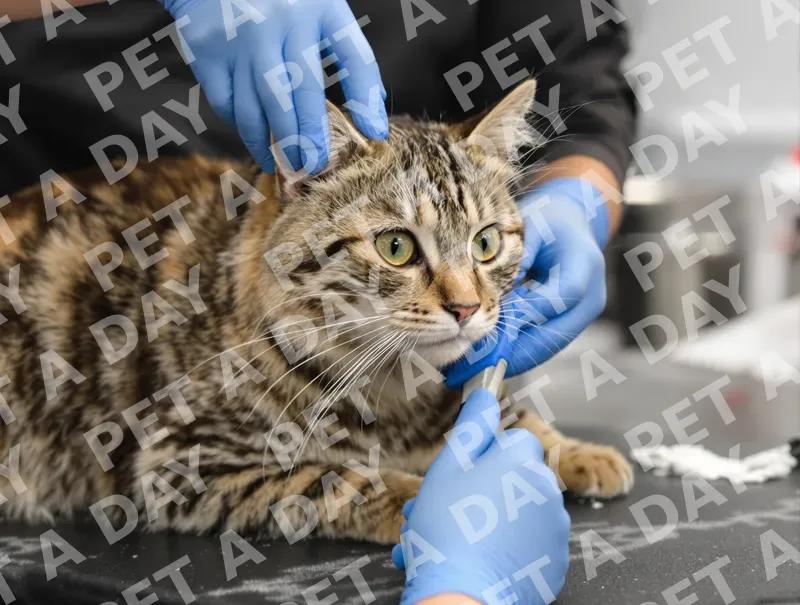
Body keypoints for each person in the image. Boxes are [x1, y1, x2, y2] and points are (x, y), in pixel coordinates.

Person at [1, 0, 635, 601]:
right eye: (395, 248)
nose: (463, 298)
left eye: (487, 243)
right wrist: (389, 502)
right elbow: (180, 478)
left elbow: (578, 63)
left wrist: (574, 202)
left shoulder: (427, 316)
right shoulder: (244, 347)